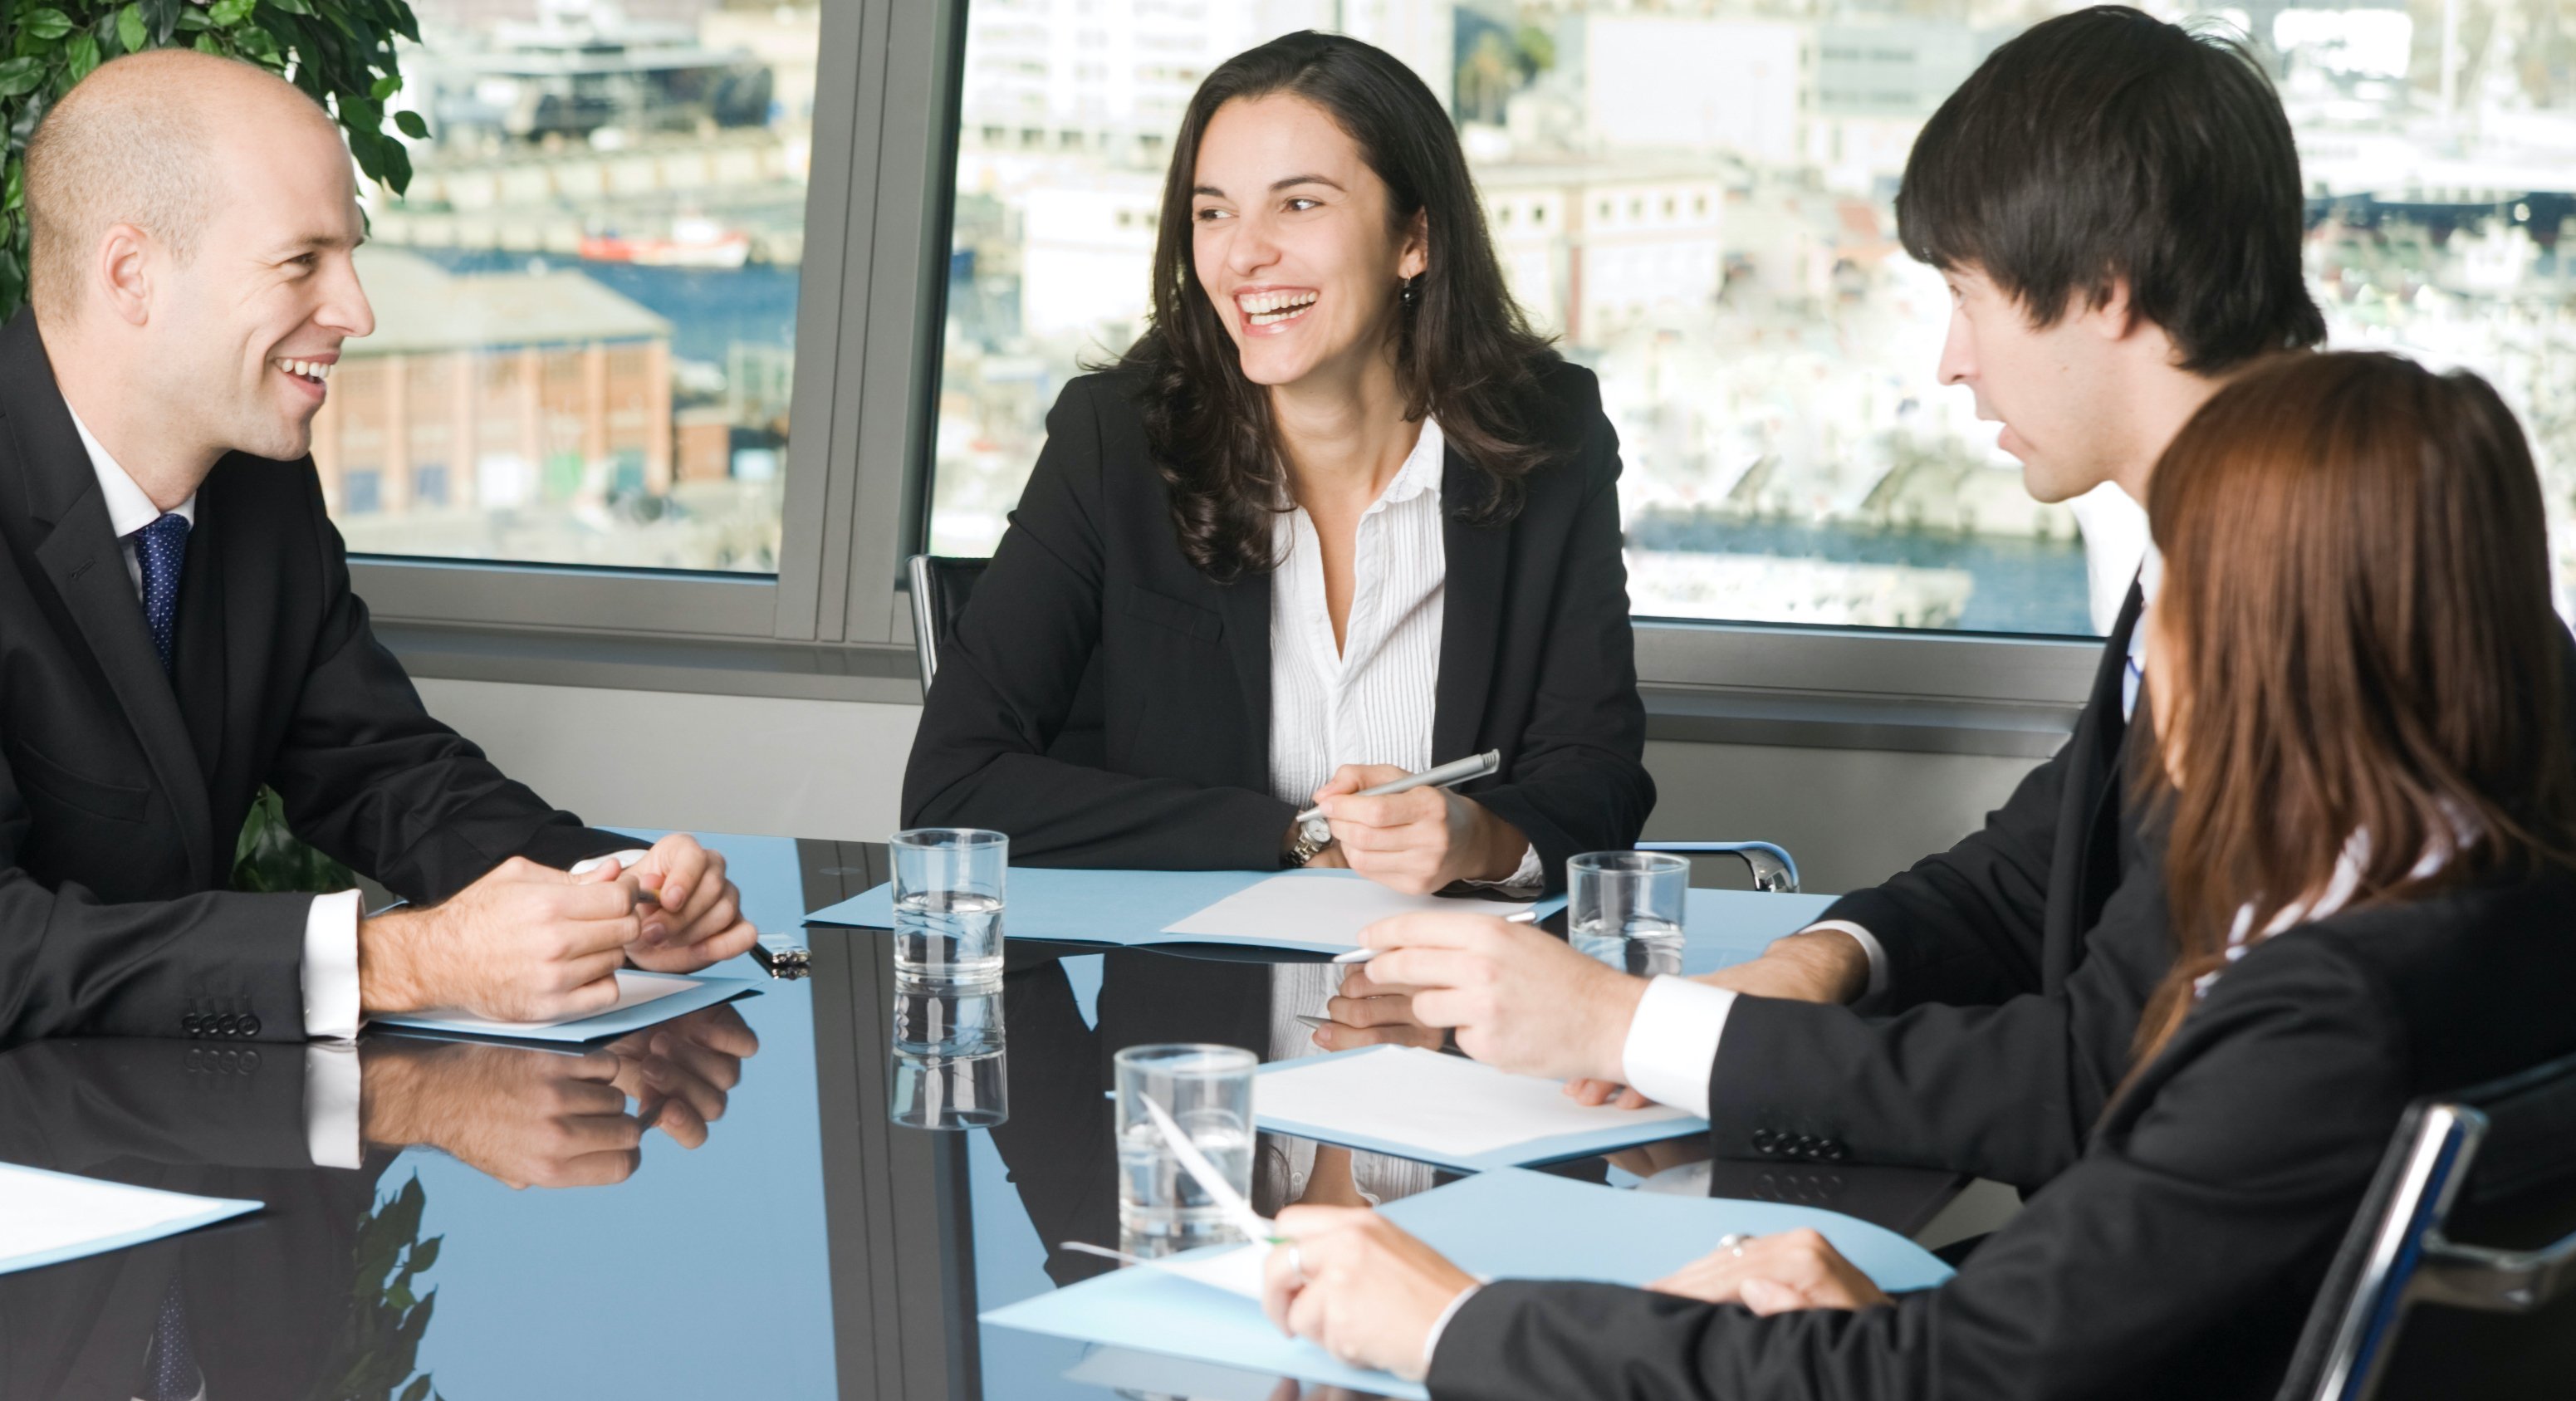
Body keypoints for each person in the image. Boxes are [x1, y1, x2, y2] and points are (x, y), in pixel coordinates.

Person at [1259, 350, 2576, 1399]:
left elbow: (1941, 1379)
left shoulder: (2318, 1013)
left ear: (2261, 635)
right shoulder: (2484, 903)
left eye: (2181, 590)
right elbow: (2136, 1275)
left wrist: (1449, 1320)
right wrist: (1923, 1307)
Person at [1313, 6, 2329, 1192]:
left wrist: (1632, 1029)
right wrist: (1815, 961)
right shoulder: (2218, 547)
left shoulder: (2295, 604)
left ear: (2104, 289)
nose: (1949, 358)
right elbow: (2027, 871)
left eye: (1967, 293)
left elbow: (2097, 1074)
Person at [0, 50, 757, 1048]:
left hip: (165, 1121)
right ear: (132, 273)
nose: (357, 311)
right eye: (301, 261)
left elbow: (386, 772)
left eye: (349, 255)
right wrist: (397, 959)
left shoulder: (258, 486)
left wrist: (614, 895)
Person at [900, 30, 1652, 894]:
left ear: (1416, 239)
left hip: (1451, 1003)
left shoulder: (1549, 434)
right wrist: (1290, 836)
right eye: (1213, 211)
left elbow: (1598, 778)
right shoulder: (1117, 438)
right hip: (1191, 1013)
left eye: (1299, 205)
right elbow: (952, 788)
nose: (1242, 253)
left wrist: (1480, 839)